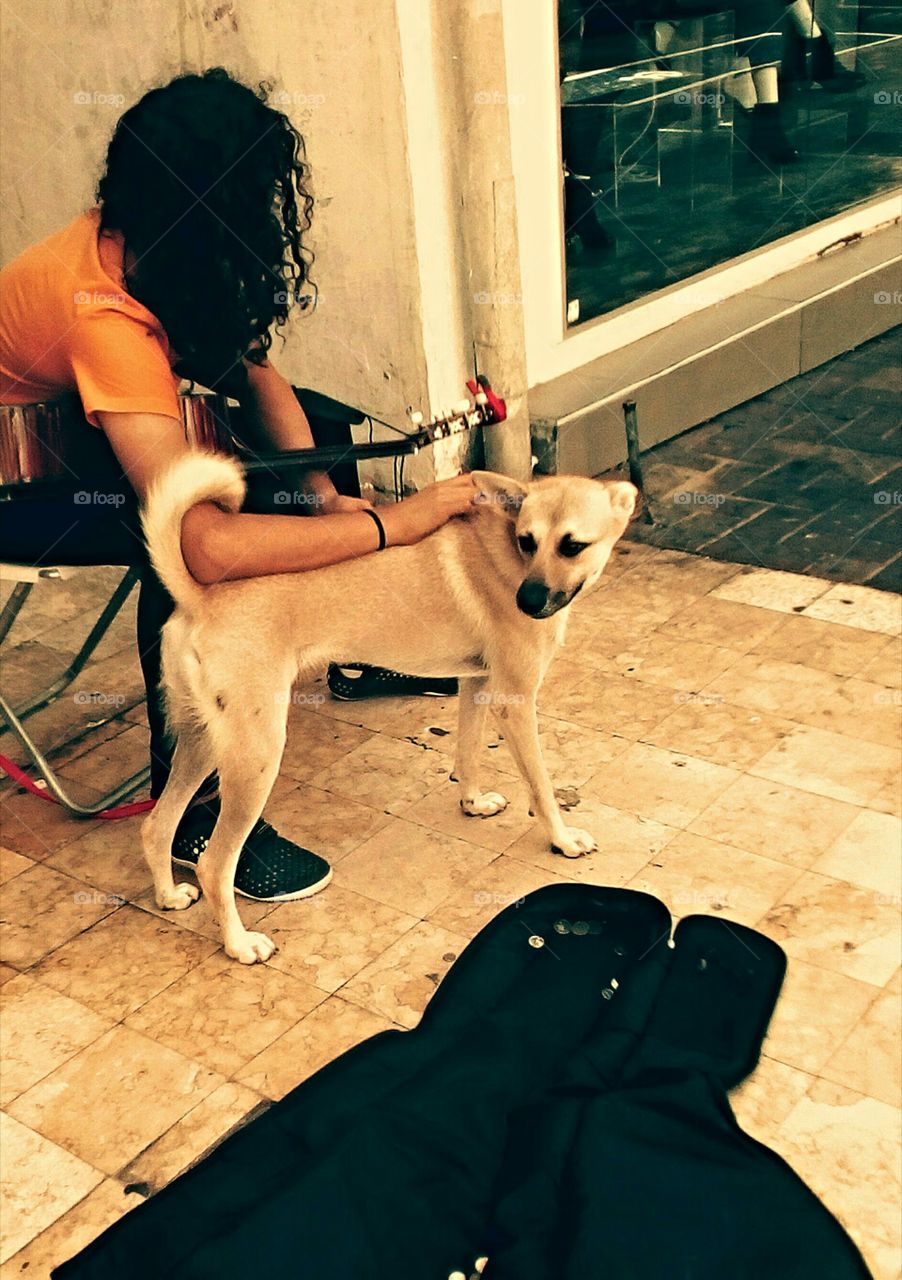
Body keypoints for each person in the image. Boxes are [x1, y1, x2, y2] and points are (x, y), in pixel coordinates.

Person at [0, 68, 477, 902]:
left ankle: (355, 646)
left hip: (75, 434)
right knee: (177, 547)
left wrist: (325, 494)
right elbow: (204, 547)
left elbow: (255, 374)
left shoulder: (165, 247)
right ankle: (195, 813)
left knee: (316, 434)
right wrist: (393, 526)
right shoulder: (102, 316)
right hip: (22, 482)